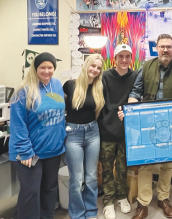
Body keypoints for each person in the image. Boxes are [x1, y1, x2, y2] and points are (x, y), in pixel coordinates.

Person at [124, 33, 172, 219]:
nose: (165, 50)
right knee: (146, 164)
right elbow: (136, 92)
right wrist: (131, 115)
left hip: (171, 124)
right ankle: (143, 203)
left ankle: (163, 198)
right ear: (156, 48)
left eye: (169, 47)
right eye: (162, 46)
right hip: (147, 122)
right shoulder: (146, 67)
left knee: (167, 164)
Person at [9, 52, 66, 219]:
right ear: (35, 68)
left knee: (49, 189)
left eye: (50, 67)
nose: (47, 71)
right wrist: (25, 150)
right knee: (31, 192)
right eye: (43, 67)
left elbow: (60, 115)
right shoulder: (23, 91)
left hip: (53, 150)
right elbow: (17, 124)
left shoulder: (57, 85)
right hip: (30, 152)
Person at [98, 44, 139, 219]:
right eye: (120, 56)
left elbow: (139, 98)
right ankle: (108, 201)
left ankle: (122, 196)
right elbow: (99, 102)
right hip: (107, 130)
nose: (124, 60)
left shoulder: (136, 76)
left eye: (127, 56)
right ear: (114, 58)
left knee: (123, 168)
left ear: (131, 58)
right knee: (107, 168)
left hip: (126, 132)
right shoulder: (105, 76)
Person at [63, 54, 105, 219]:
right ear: (86, 65)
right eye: (92, 66)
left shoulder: (98, 88)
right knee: (77, 178)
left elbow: (96, 113)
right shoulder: (70, 85)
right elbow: (60, 107)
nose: (95, 70)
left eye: (98, 68)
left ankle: (91, 211)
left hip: (93, 133)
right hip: (73, 134)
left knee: (92, 176)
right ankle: (78, 214)